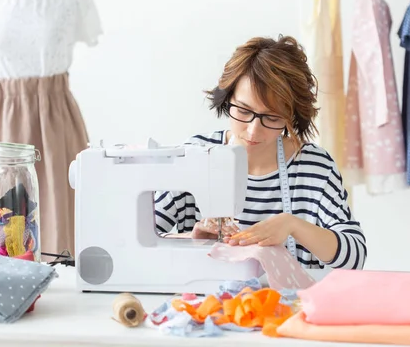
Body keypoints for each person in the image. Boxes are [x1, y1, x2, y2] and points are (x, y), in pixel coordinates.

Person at [154, 35, 366, 270]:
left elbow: (354, 257)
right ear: (228, 99)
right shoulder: (193, 157)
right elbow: (136, 243)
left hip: (292, 305)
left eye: (272, 117)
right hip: (209, 305)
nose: (254, 131)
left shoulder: (314, 167)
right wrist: (192, 243)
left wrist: (293, 225)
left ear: (291, 117)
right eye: (244, 111)